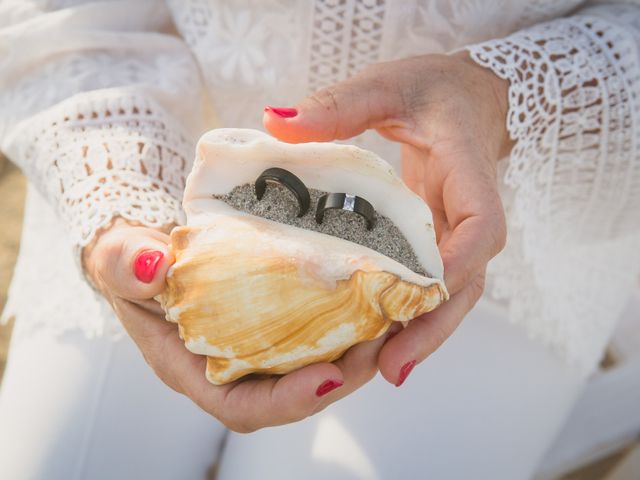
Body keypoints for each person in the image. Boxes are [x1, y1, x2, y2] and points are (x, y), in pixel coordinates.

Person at [0, 0, 638, 478]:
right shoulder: (149, 196)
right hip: (164, 176)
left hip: (502, 228)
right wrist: (116, 192)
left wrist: (503, 95)